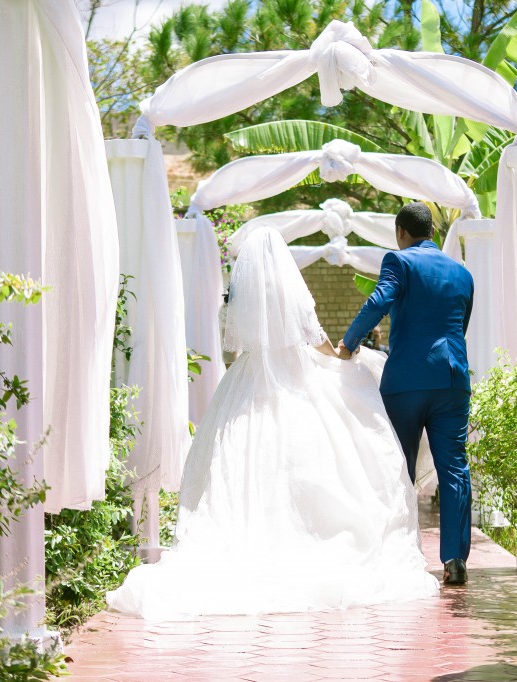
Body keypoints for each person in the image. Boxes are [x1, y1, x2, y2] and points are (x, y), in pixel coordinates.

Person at [107, 227, 438, 620]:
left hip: (247, 380)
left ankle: (248, 539)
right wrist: (342, 359)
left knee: (240, 458)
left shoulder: (241, 296)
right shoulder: (289, 292)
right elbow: (314, 337)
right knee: (309, 459)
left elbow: (234, 346)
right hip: (296, 374)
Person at [339, 202, 474, 586]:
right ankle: (453, 559)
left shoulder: (399, 263)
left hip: (406, 382)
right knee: (454, 469)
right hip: (452, 379)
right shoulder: (462, 272)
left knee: (400, 467)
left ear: (400, 232)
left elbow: (378, 301)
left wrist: (349, 343)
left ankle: (402, 554)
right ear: (430, 231)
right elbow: (460, 325)